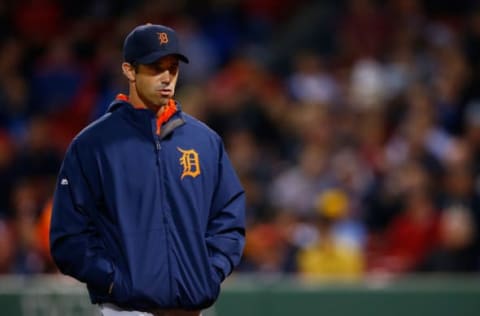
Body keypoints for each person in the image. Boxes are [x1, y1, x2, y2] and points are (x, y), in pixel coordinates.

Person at [49, 24, 246, 316]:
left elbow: (228, 217)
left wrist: (210, 272)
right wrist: (116, 281)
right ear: (129, 71)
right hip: (128, 309)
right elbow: (69, 237)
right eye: (155, 68)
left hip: (191, 308)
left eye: (173, 68)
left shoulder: (204, 141)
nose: (167, 77)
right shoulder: (94, 144)